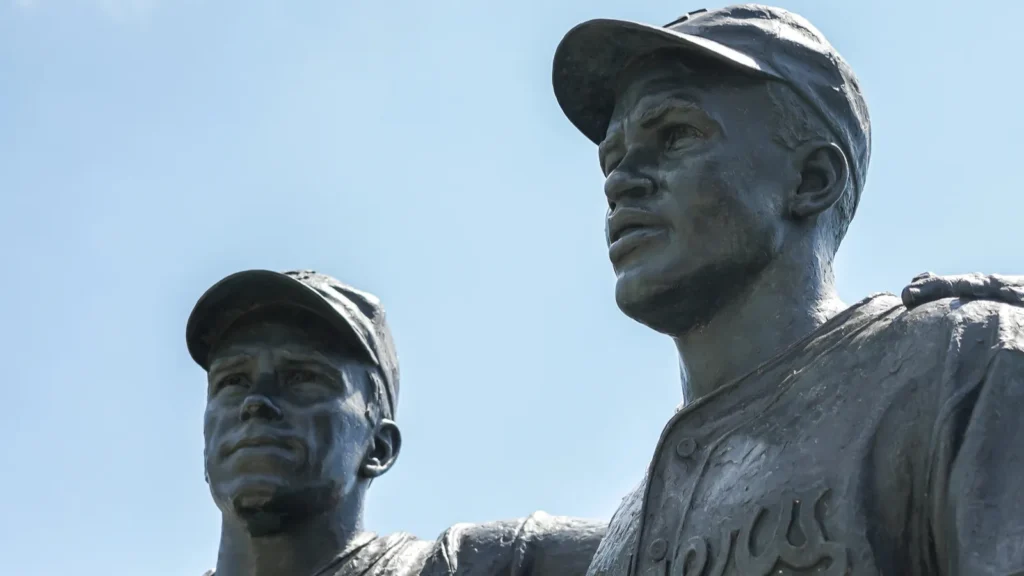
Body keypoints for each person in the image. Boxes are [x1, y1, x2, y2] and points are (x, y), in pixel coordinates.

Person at [551, 5, 1024, 575]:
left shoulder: (963, 360)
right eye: (612, 159)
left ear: (811, 180)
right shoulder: (626, 535)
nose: (621, 182)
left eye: (676, 135)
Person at [186, 269, 606, 576]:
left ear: (379, 447)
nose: (256, 402)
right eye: (232, 382)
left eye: (302, 378)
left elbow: (644, 536)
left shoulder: (487, 564)